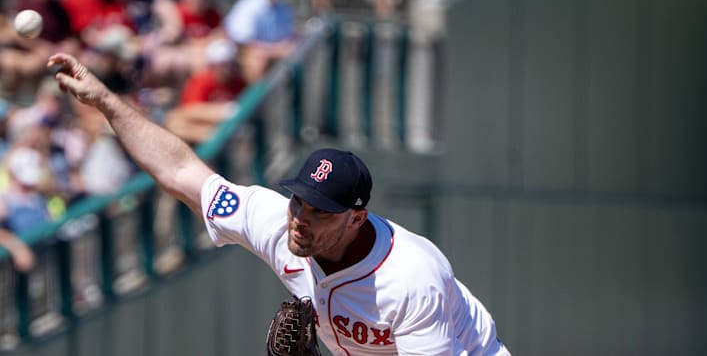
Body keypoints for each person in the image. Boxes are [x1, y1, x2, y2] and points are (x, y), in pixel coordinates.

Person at [46, 53, 511, 355]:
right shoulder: (278, 223)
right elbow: (181, 172)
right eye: (299, 202)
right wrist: (109, 103)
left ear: (357, 218)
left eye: (320, 211)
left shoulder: (411, 277)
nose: (301, 220)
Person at [222, 0, 297, 83]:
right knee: (257, 61)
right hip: (241, 53)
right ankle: (260, 101)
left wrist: (281, 50)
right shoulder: (250, 4)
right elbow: (243, 44)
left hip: (273, 53)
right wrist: (275, 51)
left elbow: (289, 39)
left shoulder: (284, 7)